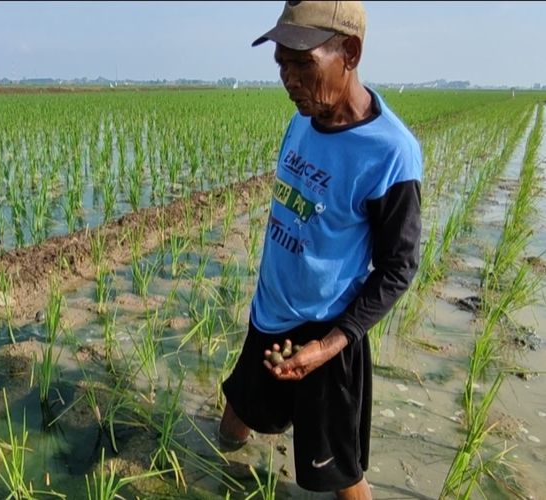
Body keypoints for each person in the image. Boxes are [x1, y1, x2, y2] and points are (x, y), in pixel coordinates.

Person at [219, 1, 422, 498]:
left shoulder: (390, 152)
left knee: (339, 472)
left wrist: (329, 346)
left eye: (302, 63)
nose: (288, 78)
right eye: (281, 63)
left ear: (349, 52)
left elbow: (398, 267)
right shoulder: (303, 119)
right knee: (232, 425)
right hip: (269, 316)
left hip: (325, 334)